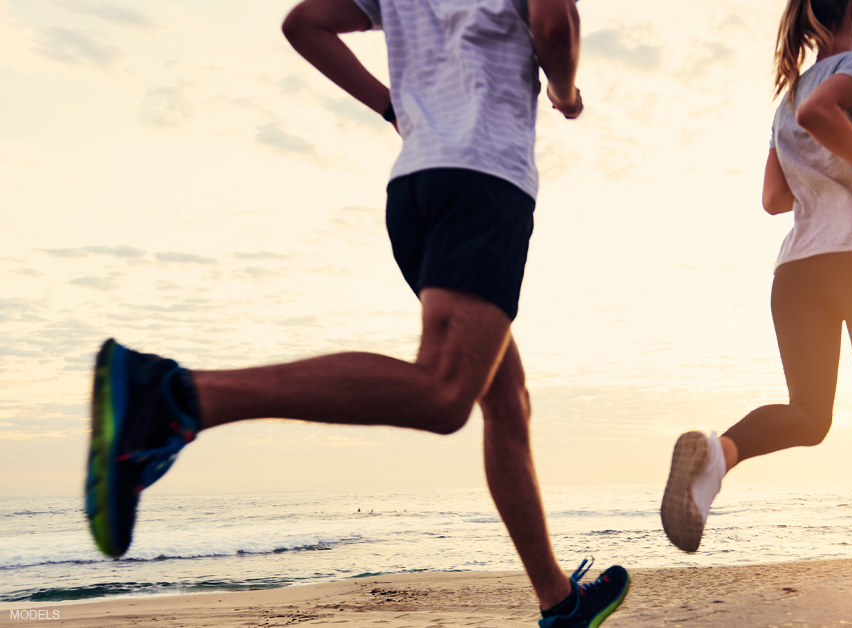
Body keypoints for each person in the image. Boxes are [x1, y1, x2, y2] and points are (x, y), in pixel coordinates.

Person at [83, 0, 630, 625]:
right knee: (447, 393)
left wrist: (391, 105)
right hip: (484, 178)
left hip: (415, 190)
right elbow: (555, 25)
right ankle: (177, 397)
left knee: (506, 398)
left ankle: (559, 602)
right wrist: (565, 94)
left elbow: (304, 24)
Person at [659, 0, 852, 608]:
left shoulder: (784, 100)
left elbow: (772, 197)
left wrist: (819, 175)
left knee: (810, 415)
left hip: (797, 271)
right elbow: (824, 112)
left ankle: (719, 454)